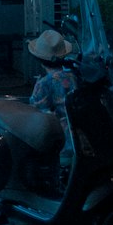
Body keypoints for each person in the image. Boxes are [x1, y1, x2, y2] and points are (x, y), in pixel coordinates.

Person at [27, 28, 76, 188]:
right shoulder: (75, 77)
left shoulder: (44, 83)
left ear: (40, 59)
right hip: (78, 140)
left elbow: (37, 114)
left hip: (59, 143)